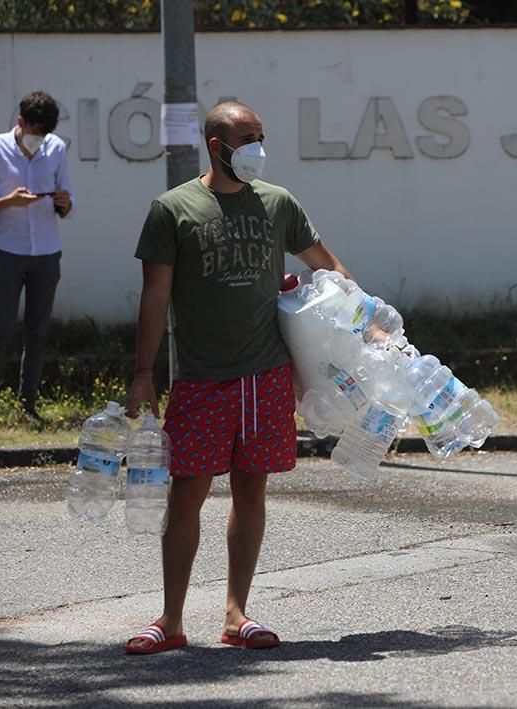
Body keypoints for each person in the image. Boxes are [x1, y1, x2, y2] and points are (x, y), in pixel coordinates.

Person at [123, 100, 352, 654]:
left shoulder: (278, 204)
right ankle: (171, 621)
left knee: (252, 489)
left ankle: (236, 614)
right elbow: (154, 298)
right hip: (202, 380)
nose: (256, 147)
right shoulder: (172, 209)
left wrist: (361, 324)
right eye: (246, 138)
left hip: (266, 376)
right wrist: (142, 373)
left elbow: (331, 267)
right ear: (215, 145)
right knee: (187, 496)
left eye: (260, 135)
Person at [0, 90, 74, 426]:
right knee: (2, 328)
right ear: (20, 122)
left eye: (43, 134)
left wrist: (64, 202)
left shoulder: (55, 148)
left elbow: (67, 202)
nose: (38, 139)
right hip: (7, 250)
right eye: (33, 131)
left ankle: (26, 406)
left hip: (46, 250)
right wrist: (8, 201)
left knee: (37, 332)